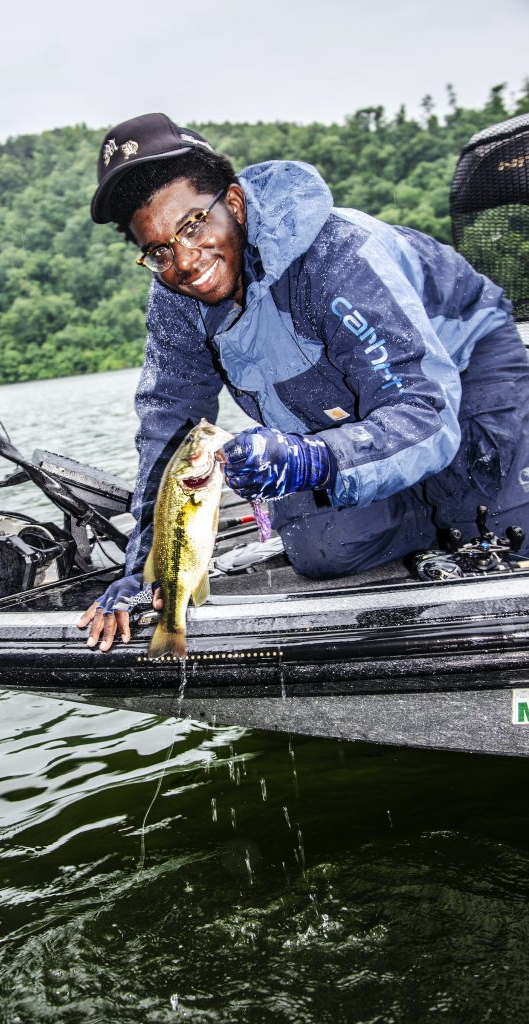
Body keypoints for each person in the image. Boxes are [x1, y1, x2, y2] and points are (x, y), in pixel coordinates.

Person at [78, 111, 529, 651]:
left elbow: (424, 412)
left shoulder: (339, 255)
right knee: (321, 548)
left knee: (496, 532)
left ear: (236, 205)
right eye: (158, 250)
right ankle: (419, 495)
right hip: (350, 413)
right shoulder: (177, 299)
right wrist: (147, 568)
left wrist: (314, 460)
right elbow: (166, 435)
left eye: (192, 226)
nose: (184, 260)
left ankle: (457, 497)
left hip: (462, 374)